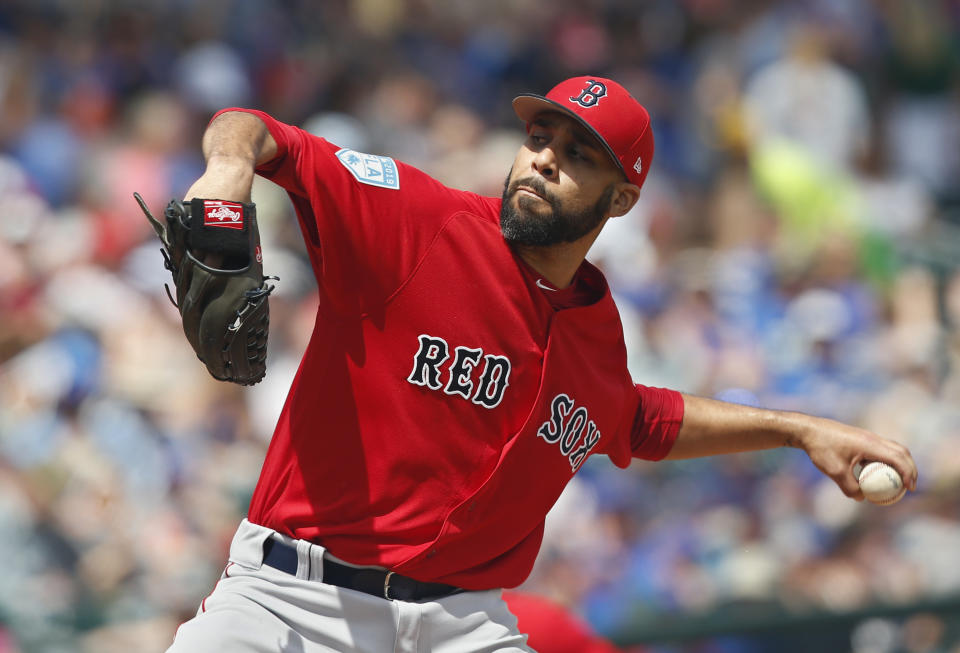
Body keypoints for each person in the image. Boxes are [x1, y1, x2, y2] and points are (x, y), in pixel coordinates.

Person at [165, 76, 917, 652]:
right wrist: (229, 169)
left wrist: (798, 429)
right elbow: (260, 131)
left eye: (577, 154)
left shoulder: (595, 330)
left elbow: (638, 418)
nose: (544, 160)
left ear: (622, 198)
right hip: (290, 601)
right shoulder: (420, 223)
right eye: (539, 137)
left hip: (456, 622)